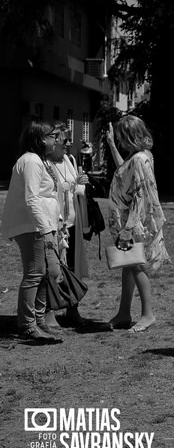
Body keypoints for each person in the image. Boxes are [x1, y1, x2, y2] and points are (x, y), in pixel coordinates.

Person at [106, 115, 170, 334]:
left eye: (122, 138)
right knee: (129, 264)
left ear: (130, 136)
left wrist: (128, 228)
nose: (121, 142)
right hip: (129, 222)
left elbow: (140, 195)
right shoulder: (138, 157)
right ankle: (124, 312)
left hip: (133, 223)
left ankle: (147, 314)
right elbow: (124, 173)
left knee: (137, 265)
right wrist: (112, 145)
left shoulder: (140, 159)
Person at [1, 121, 63, 343]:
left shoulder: (39, 160)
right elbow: (31, 198)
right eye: (52, 135)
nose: (56, 139)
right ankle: (27, 324)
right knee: (35, 273)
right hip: (32, 226)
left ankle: (38, 320)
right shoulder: (31, 161)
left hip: (39, 224)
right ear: (39, 139)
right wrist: (45, 229)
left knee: (45, 273)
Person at [46, 124, 92, 329]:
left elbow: (74, 188)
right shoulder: (44, 163)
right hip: (54, 225)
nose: (68, 145)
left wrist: (82, 181)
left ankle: (73, 309)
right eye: (64, 141)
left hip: (72, 223)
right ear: (54, 142)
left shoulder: (70, 159)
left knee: (72, 268)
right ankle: (48, 313)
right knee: (52, 269)